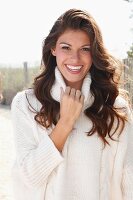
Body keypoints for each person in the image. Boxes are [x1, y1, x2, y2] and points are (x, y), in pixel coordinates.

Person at [11, 8, 133, 200]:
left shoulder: (116, 108)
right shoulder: (26, 104)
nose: (75, 58)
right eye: (66, 47)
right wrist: (66, 121)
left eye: (85, 49)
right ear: (53, 49)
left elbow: (128, 177)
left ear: (94, 53)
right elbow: (29, 178)